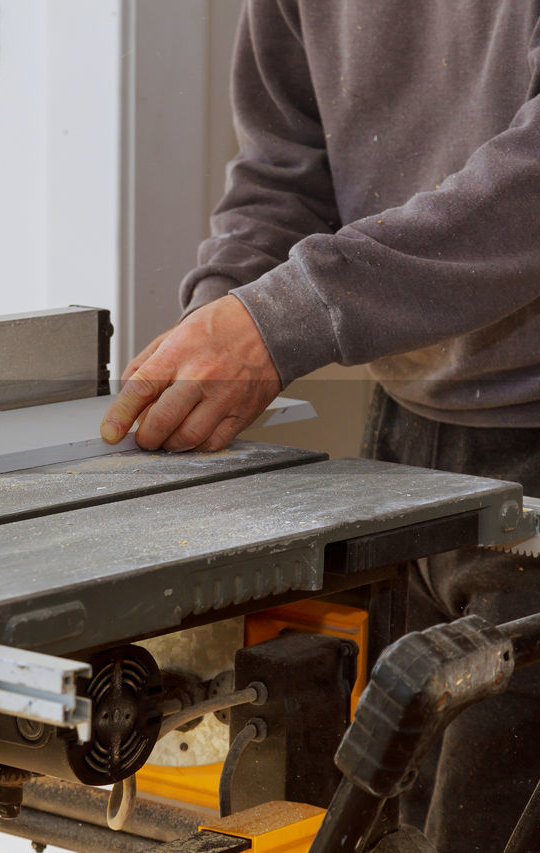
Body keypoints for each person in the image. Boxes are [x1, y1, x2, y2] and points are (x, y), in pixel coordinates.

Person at [98, 3, 540, 851]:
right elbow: (286, 171)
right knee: (390, 826)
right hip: (409, 440)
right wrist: (219, 322)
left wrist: (282, 321)